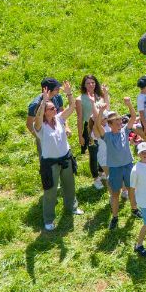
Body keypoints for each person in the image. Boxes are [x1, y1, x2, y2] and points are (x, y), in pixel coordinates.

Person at [32, 81, 82, 231]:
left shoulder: (59, 119)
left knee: (69, 186)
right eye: (51, 108)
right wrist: (44, 102)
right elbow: (38, 117)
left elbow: (72, 108)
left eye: (54, 108)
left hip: (66, 158)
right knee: (50, 191)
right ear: (45, 111)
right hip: (50, 164)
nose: (55, 109)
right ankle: (48, 219)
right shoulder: (39, 127)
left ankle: (72, 207)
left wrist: (69, 93)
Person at [95, 101, 141, 230]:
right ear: (110, 125)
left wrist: (129, 104)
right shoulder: (107, 136)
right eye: (117, 124)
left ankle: (134, 209)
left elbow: (132, 116)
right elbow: (98, 124)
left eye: (120, 123)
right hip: (114, 168)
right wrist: (100, 111)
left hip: (128, 165)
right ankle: (115, 217)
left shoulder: (125, 131)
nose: (120, 125)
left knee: (131, 189)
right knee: (115, 194)